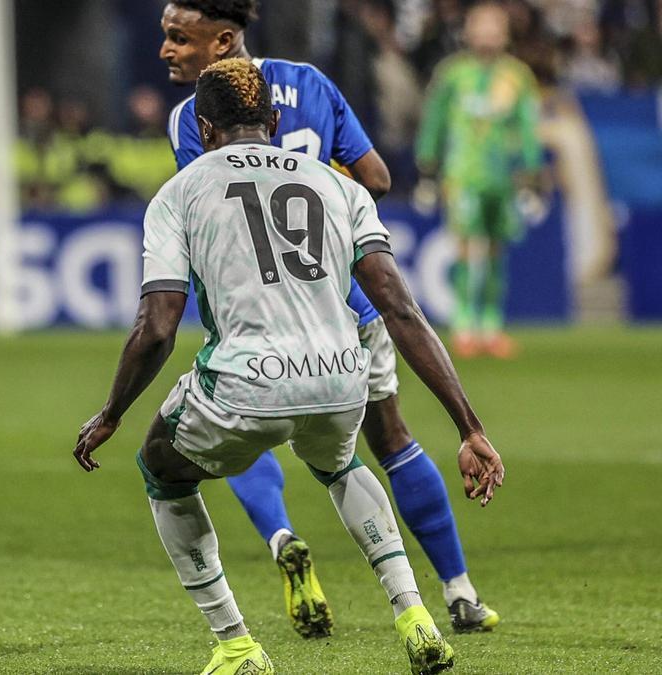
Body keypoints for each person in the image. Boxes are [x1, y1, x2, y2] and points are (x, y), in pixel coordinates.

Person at [74, 57, 504, 675]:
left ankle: (236, 645)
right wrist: (469, 427)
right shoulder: (340, 186)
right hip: (341, 377)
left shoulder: (181, 191)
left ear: (203, 125)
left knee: (162, 468)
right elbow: (402, 310)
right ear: (274, 121)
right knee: (340, 462)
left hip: (248, 383)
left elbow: (158, 325)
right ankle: (415, 616)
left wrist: (112, 412)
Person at [159, 0, 500, 638]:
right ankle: (457, 592)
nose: (167, 50)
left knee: (240, 435)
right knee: (389, 438)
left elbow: (212, 210)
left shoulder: (190, 119)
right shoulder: (311, 84)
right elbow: (375, 175)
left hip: (256, 310)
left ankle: (281, 536)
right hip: (350, 308)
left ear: (222, 40)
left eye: (180, 37)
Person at [415, 1, 544, 358]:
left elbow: (528, 128)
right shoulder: (453, 74)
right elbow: (434, 123)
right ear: (469, 31)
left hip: (501, 176)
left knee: (496, 249)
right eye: (481, 25)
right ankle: (464, 324)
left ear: (504, 32)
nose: (487, 33)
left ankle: (491, 325)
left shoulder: (517, 76)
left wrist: (532, 175)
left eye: (494, 26)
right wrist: (427, 169)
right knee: (468, 246)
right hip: (463, 174)